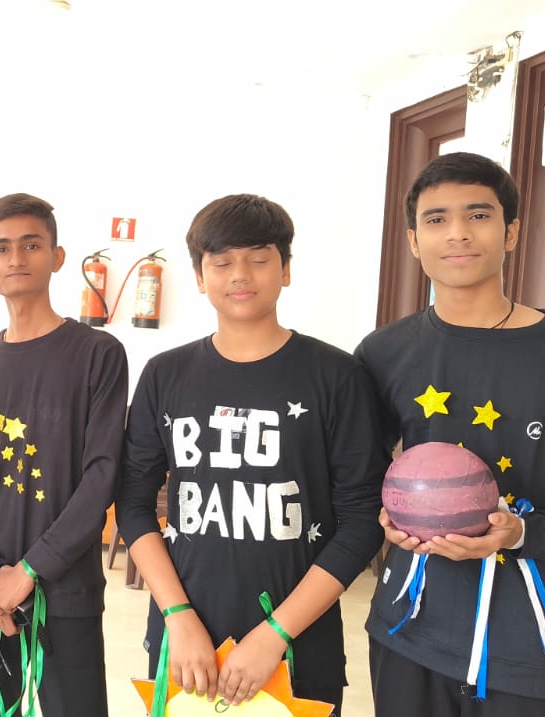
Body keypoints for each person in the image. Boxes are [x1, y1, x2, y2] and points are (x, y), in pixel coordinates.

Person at [359, 152, 545, 716]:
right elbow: (358, 480)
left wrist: (523, 532)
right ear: (413, 241)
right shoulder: (384, 352)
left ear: (511, 232)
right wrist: (384, 516)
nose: (457, 233)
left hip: (531, 649)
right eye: (436, 219)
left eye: (478, 215)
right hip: (407, 632)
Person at [118, 194, 387, 715]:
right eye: (221, 262)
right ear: (200, 277)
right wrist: (177, 615)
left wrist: (274, 635)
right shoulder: (165, 375)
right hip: (186, 642)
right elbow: (133, 501)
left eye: (258, 258)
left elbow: (361, 520)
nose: (240, 274)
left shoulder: (337, 377)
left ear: (285, 269)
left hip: (297, 645)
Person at [0, 193, 126, 717]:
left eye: (31, 245)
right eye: (1, 248)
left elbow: (102, 476)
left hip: (64, 592)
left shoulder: (97, 354)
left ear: (57, 256)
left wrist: (29, 570)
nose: (16, 258)